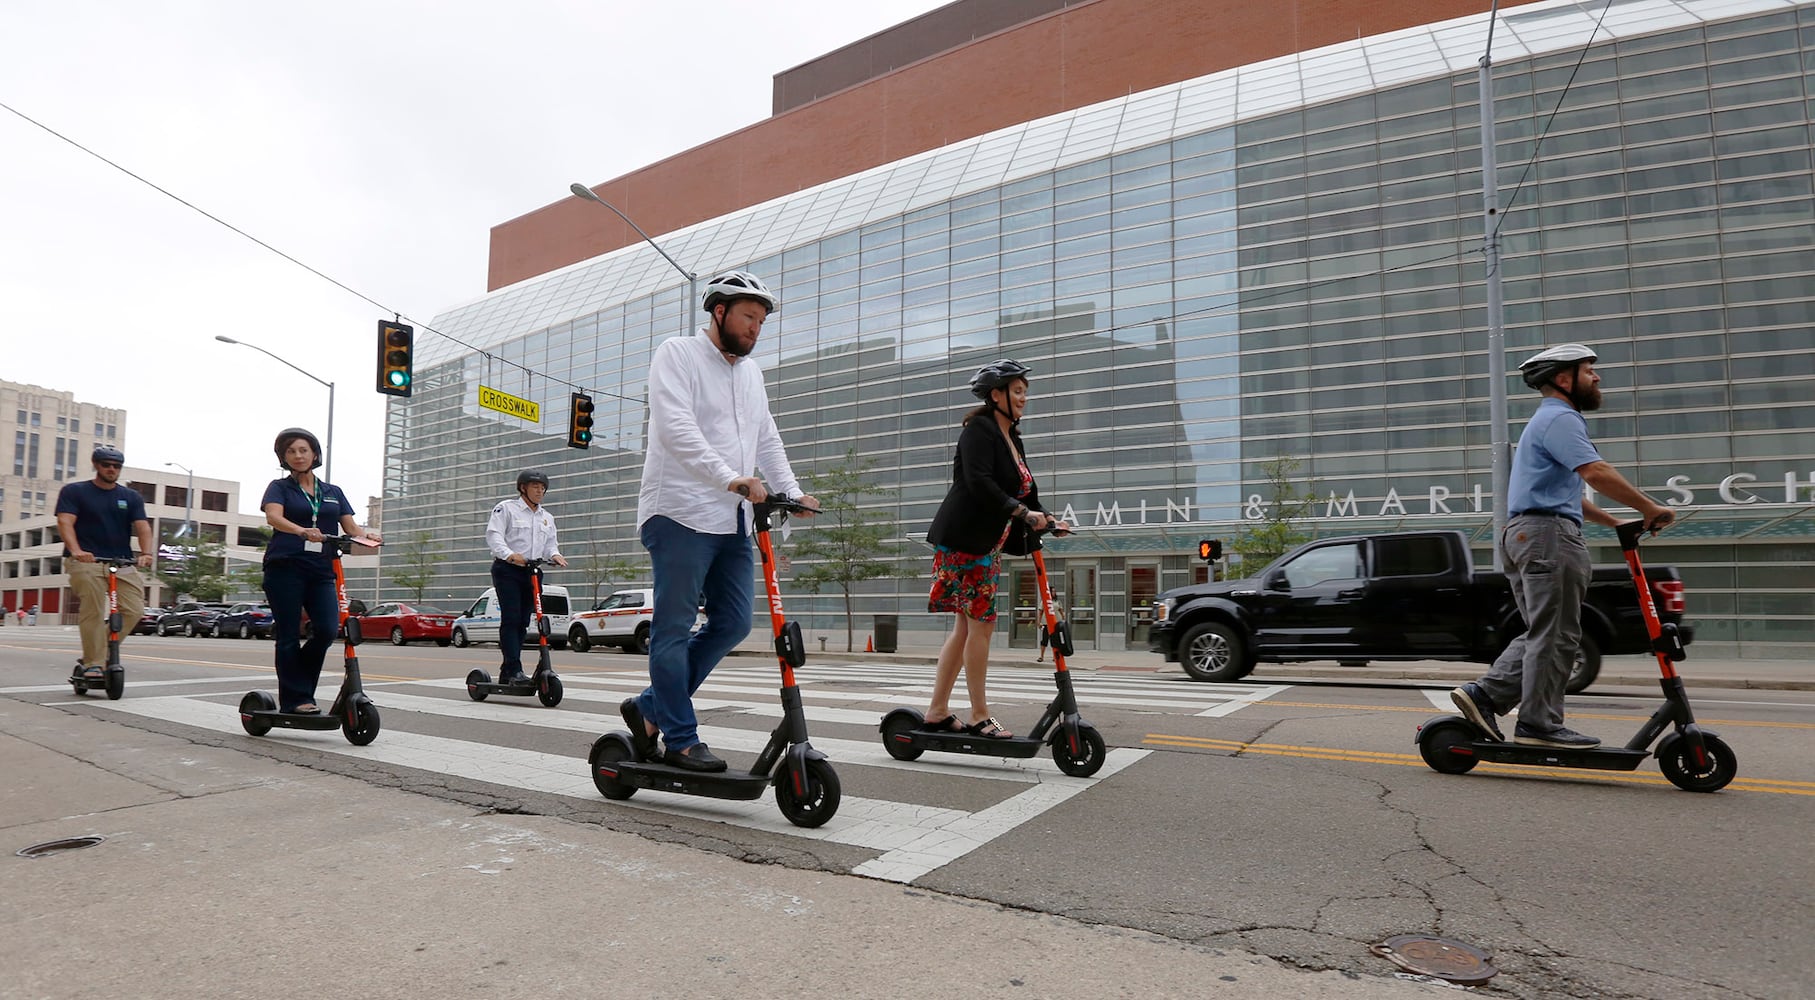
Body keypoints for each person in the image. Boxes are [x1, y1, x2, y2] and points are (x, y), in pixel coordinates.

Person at [621, 270, 817, 773]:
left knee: (732, 623)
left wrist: (791, 491)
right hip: (678, 513)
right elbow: (675, 427)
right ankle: (680, 738)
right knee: (673, 627)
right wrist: (731, 477)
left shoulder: (751, 375)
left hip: (732, 521)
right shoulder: (678, 354)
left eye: (761, 321)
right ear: (719, 311)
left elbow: (766, 436)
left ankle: (649, 708)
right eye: (748, 317)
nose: (755, 328)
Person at [1451, 344, 1675, 748]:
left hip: (1529, 533)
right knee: (1556, 634)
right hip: (1547, 536)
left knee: (1547, 631)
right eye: (1589, 369)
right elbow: (1596, 471)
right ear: (1563, 378)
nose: (1597, 377)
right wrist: (1648, 506)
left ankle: (1485, 696)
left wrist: (1615, 521)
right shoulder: (1561, 419)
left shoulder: (1545, 422)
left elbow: (1570, 492)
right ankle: (1537, 722)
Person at [923, 359, 1070, 739]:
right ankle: (978, 714)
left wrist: (1048, 518)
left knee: (966, 628)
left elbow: (1026, 492)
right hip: (965, 541)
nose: (1023, 398)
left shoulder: (1013, 438)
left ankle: (938, 710)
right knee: (980, 626)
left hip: (986, 545)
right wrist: (1021, 512)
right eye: (1017, 391)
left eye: (1025, 392)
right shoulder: (980, 430)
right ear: (996, 395)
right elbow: (980, 483)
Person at [259, 428, 379, 713]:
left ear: (315, 454)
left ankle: (299, 685)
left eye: (303, 450)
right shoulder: (280, 487)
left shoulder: (332, 492)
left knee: (326, 629)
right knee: (288, 633)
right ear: (283, 458)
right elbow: (273, 517)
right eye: (291, 452)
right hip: (285, 567)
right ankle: (297, 699)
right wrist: (302, 530)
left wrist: (368, 537)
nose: (298, 456)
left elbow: (350, 528)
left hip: (321, 568)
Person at [55, 445, 154, 677]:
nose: (111, 469)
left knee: (134, 610)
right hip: (85, 561)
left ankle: (101, 651)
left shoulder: (130, 497)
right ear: (96, 465)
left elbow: (142, 527)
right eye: (106, 465)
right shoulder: (74, 491)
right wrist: (76, 550)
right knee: (94, 609)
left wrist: (146, 552)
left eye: (116, 466)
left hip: (121, 561)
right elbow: (65, 522)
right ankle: (94, 663)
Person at [484, 470, 568, 684]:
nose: (540, 491)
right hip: (508, 570)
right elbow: (494, 535)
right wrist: (509, 555)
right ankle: (513, 669)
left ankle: (509, 670)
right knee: (511, 619)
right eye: (535, 487)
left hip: (532, 572)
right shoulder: (507, 508)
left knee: (523, 621)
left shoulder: (547, 517)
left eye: (542, 488)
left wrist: (555, 555)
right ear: (523, 488)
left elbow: (550, 544)